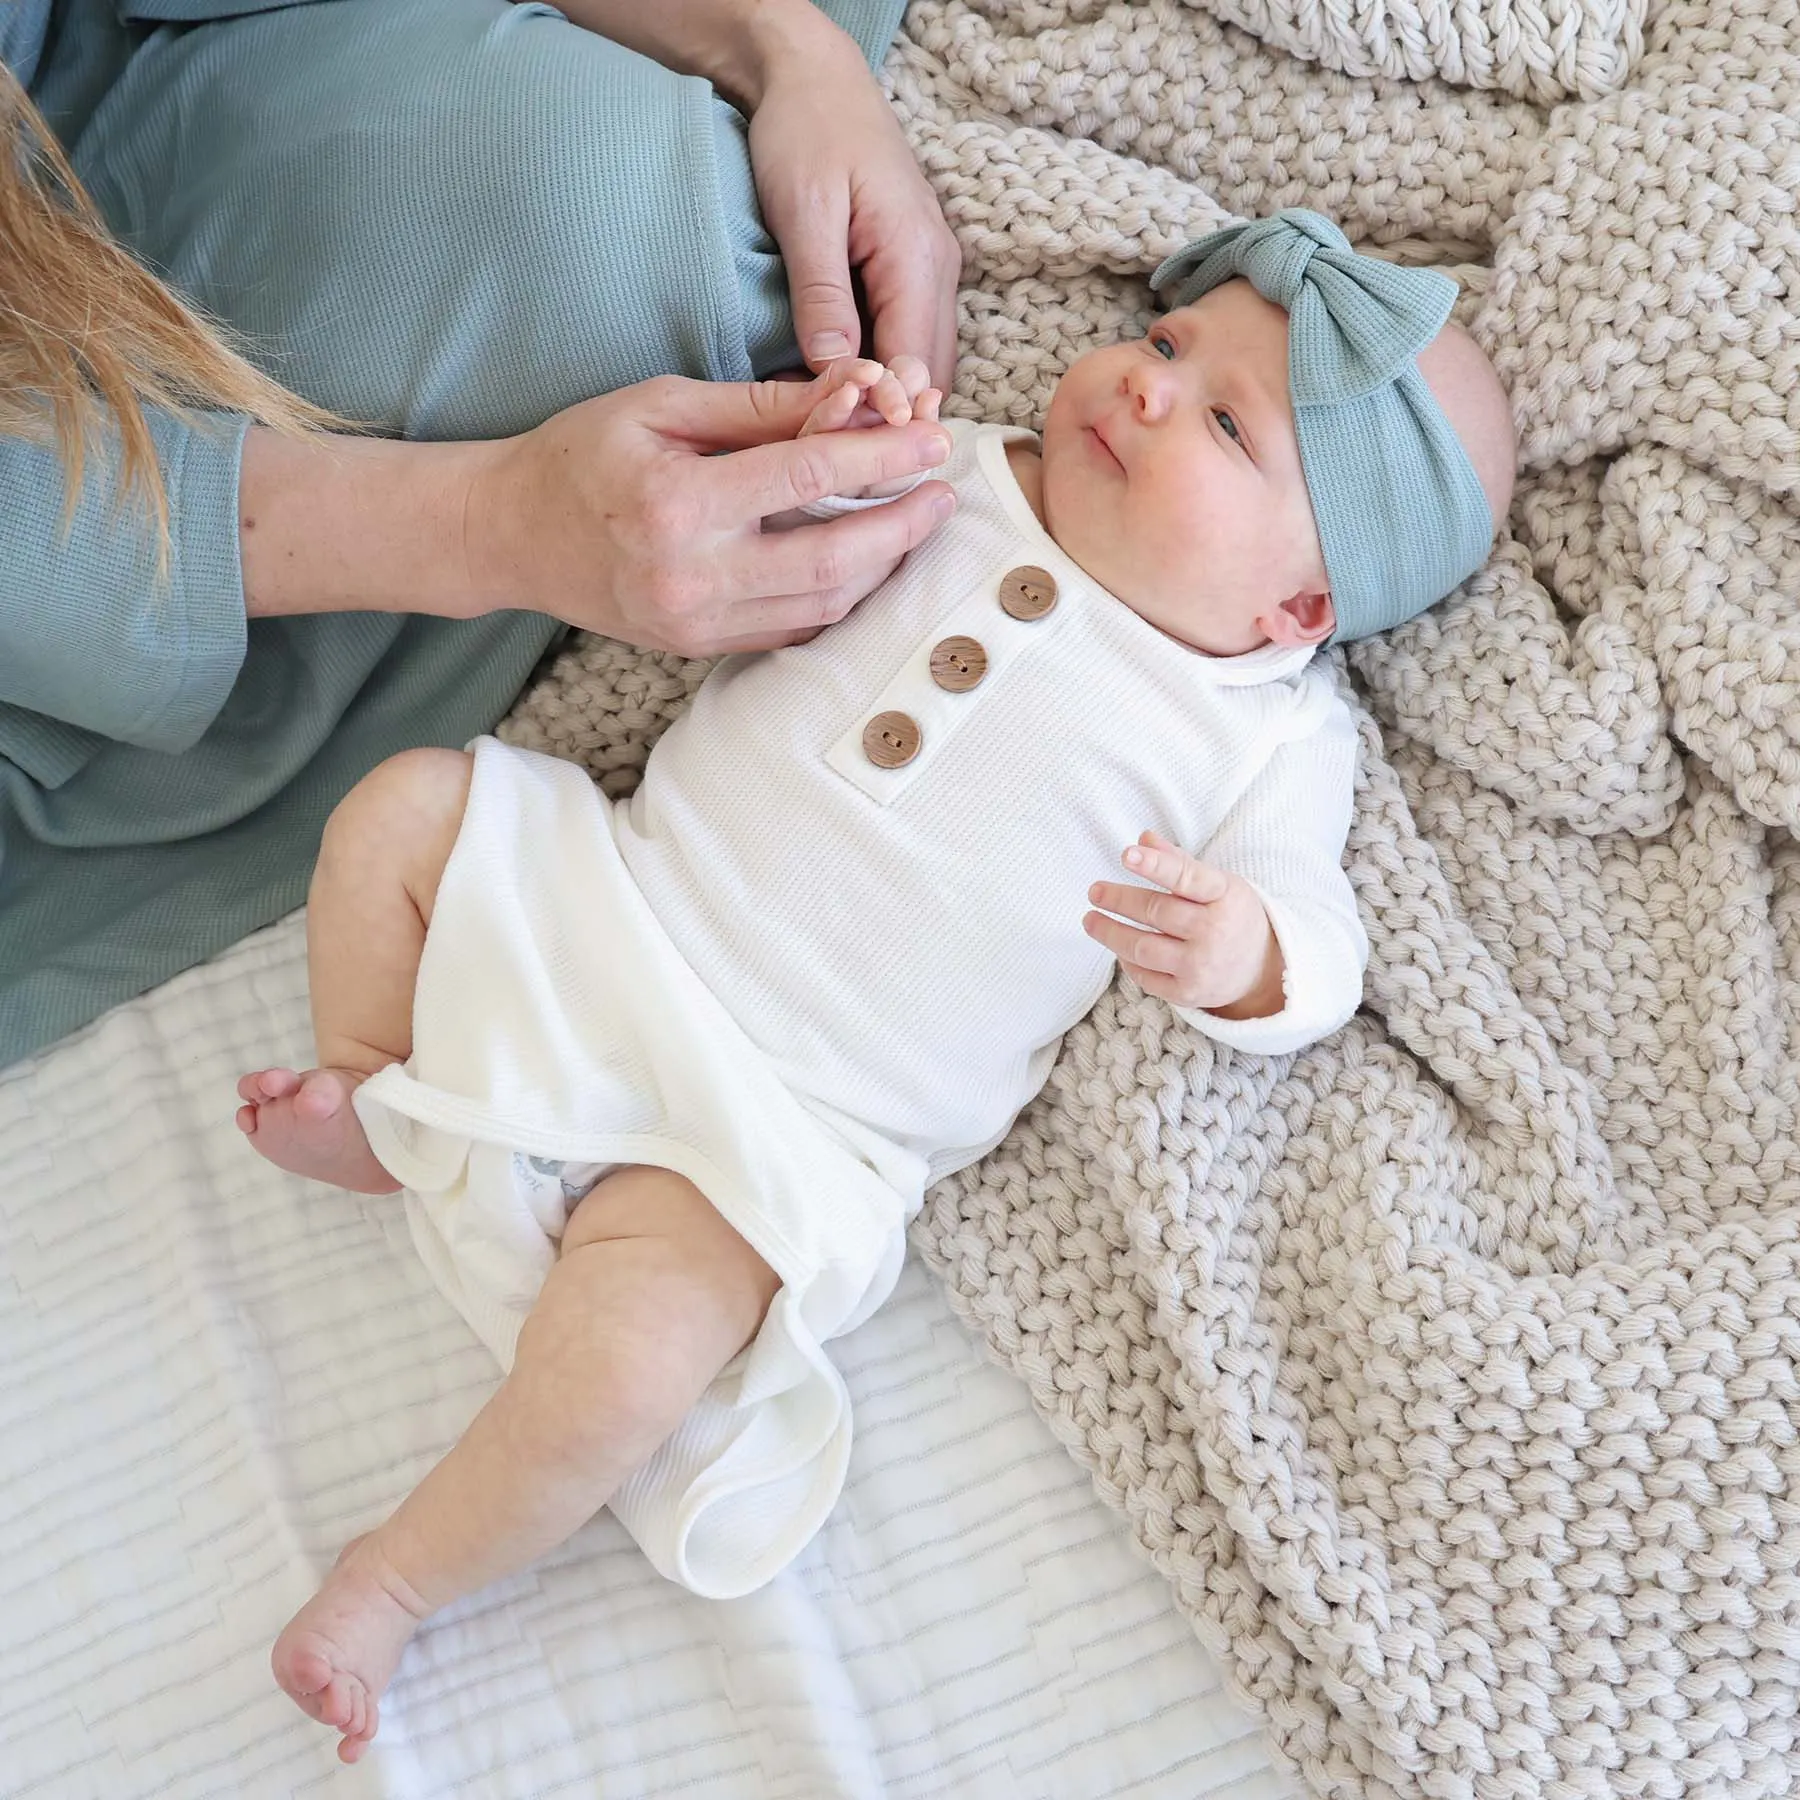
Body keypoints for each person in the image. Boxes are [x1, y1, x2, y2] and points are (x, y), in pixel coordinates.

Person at [235, 209, 1519, 1763]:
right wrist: (844, 440)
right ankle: (379, 1089)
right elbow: (780, 540)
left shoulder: (1263, 735)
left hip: (784, 1126)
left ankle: (390, 1588)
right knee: (407, 809)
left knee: (631, 1358)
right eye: (1171, 345)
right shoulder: (962, 472)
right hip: (616, 899)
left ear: (1295, 610)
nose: (1146, 388)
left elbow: (1323, 937)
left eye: (1228, 424)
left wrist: (1247, 952)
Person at [0, 0, 962, 1066]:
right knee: (634, 236)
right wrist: (486, 522)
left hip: (113, 80)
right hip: (61, 557)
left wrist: (781, 48)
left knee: (642, 215)